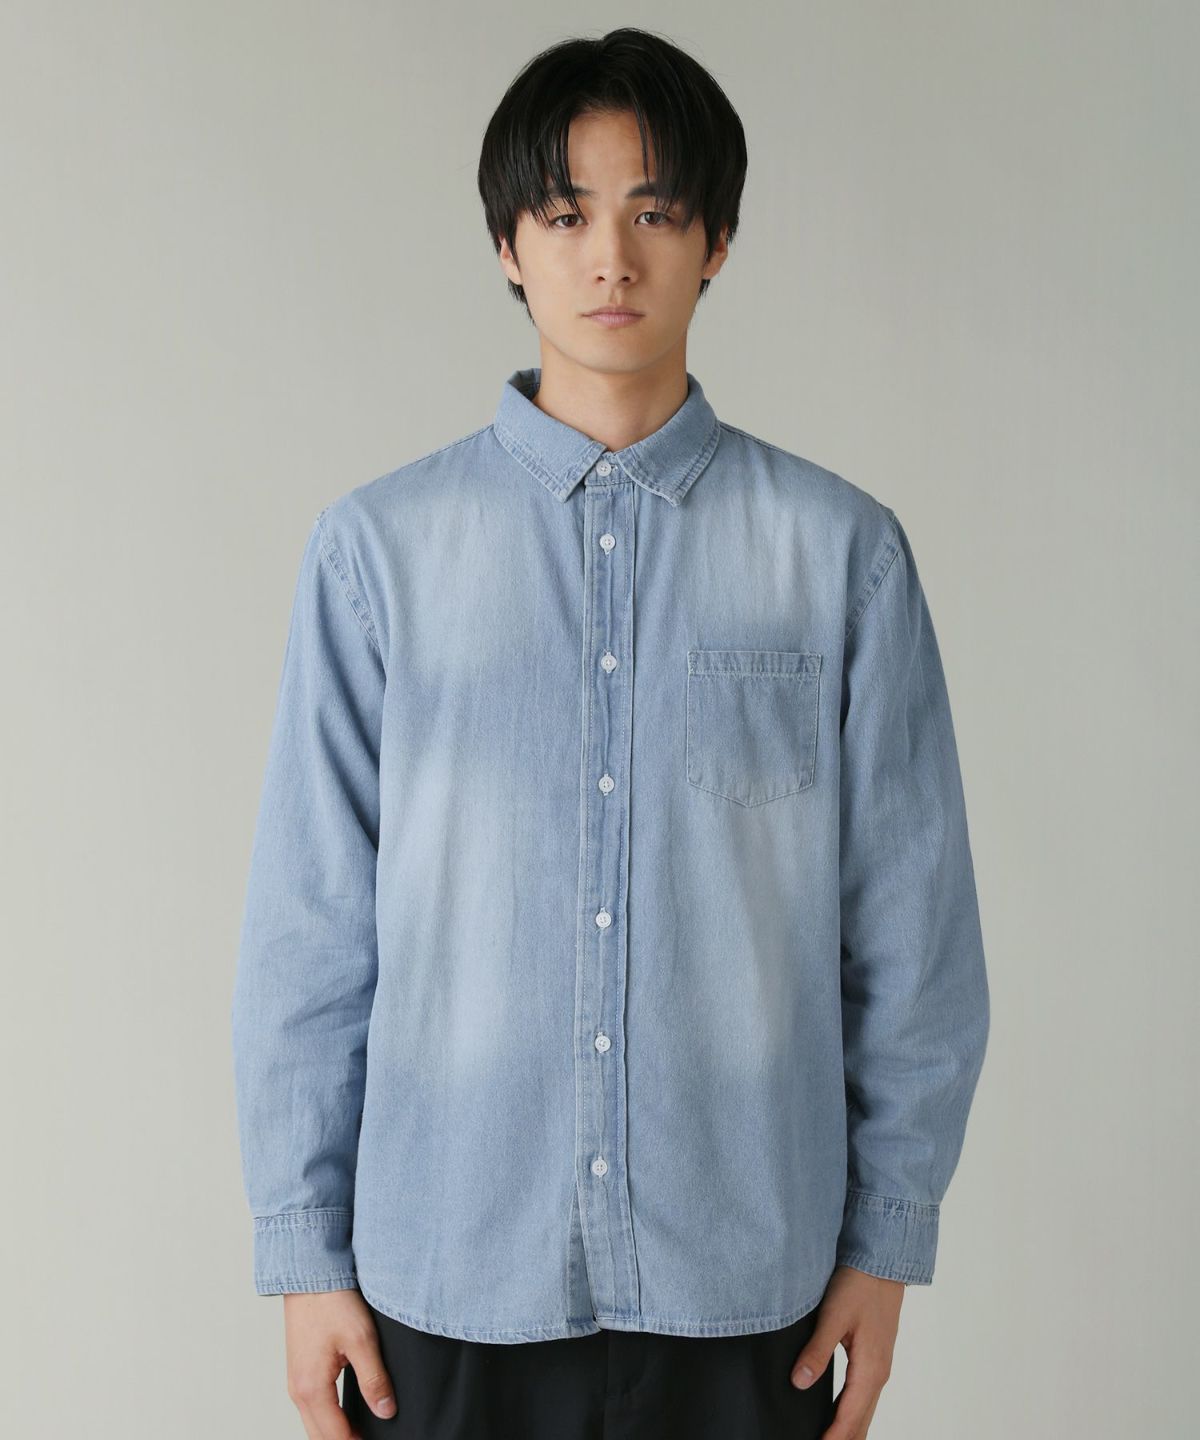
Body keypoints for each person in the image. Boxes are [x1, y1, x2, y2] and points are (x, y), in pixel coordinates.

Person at [230, 25, 990, 1440]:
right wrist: (303, 1253)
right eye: (566, 214)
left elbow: (913, 929)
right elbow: (311, 930)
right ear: (508, 247)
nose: (612, 259)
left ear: (717, 241)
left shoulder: (840, 557)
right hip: (445, 1281)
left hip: (749, 1285)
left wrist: (889, 1241)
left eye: (656, 210)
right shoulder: (379, 555)